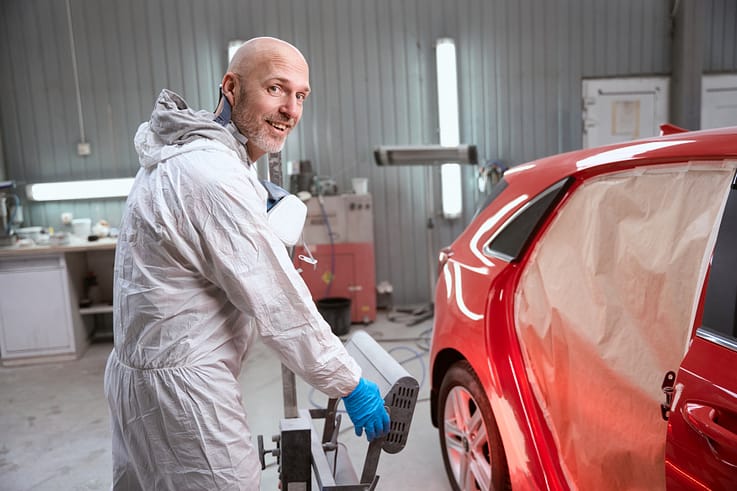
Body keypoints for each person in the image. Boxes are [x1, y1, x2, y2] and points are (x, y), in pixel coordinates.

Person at [103, 37, 390, 490]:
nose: (291, 110)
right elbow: (279, 304)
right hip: (187, 394)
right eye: (276, 89)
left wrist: (256, 198)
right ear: (231, 88)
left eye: (300, 96)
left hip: (136, 378)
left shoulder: (182, 154)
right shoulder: (213, 176)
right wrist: (349, 382)